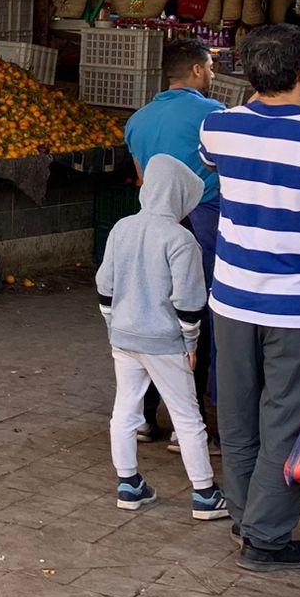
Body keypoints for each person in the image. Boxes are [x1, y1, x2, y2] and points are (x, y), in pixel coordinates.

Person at [198, 22, 300, 573]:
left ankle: (246, 519)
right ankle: (264, 537)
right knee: (283, 421)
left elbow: (225, 168)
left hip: (231, 298)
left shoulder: (215, 127)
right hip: (298, 305)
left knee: (238, 420)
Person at [97, 154, 231, 520]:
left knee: (124, 411)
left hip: (123, 338)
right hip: (165, 341)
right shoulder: (182, 239)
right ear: (180, 196)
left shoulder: (122, 228)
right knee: (188, 417)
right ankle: (204, 492)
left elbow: (104, 286)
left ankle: (128, 483)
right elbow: (189, 302)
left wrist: (113, 327)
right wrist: (190, 343)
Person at [120, 38, 223, 443]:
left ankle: (144, 419)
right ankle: (189, 424)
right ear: (197, 70)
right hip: (200, 222)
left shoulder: (138, 119)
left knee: (151, 311)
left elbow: (143, 179)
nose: (212, 75)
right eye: (211, 68)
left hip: (150, 223)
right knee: (194, 316)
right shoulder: (214, 115)